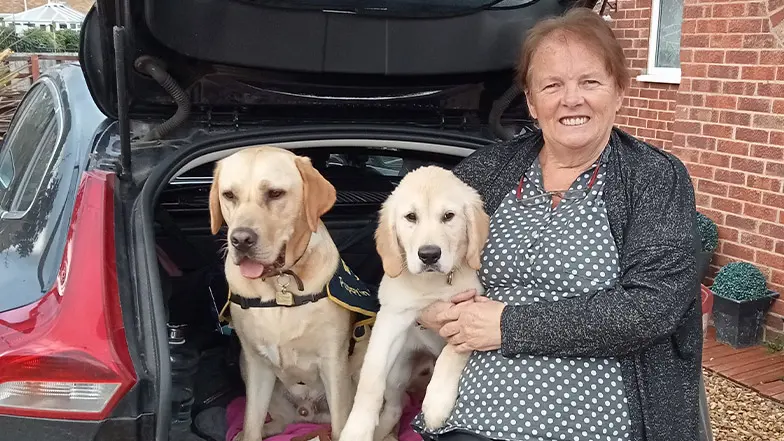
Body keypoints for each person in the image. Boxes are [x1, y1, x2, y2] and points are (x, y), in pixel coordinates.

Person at [412, 7, 701, 441]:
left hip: (599, 415)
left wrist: (509, 326)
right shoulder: (486, 172)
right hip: (474, 411)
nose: (572, 99)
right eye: (552, 85)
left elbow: (651, 308)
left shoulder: (655, 178)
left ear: (618, 90)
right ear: (531, 101)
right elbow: (419, 252)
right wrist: (427, 311)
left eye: (590, 82)